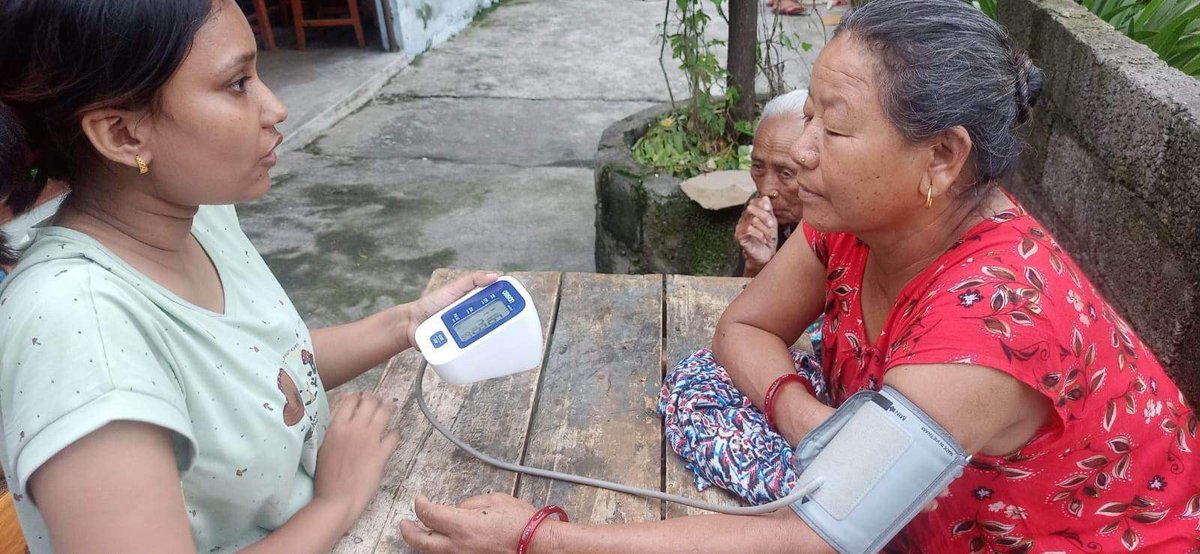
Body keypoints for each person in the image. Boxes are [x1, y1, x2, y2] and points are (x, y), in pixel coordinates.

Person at [400, 1, 1199, 552]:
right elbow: (742, 328)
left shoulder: (990, 325)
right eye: (807, 113)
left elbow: (815, 539)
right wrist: (810, 423)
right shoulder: (853, 224)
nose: (801, 150)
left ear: (943, 158)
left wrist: (541, 537)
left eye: (835, 124)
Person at [0, 1, 493, 551]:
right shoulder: (76, 328)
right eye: (237, 84)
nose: (276, 107)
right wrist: (338, 500)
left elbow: (259, 371)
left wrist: (407, 323)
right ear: (123, 134)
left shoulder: (199, 219)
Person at [734, 90, 808, 279]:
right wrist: (756, 266)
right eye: (758, 167)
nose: (766, 190)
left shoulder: (843, 236)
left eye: (785, 173)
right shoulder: (760, 215)